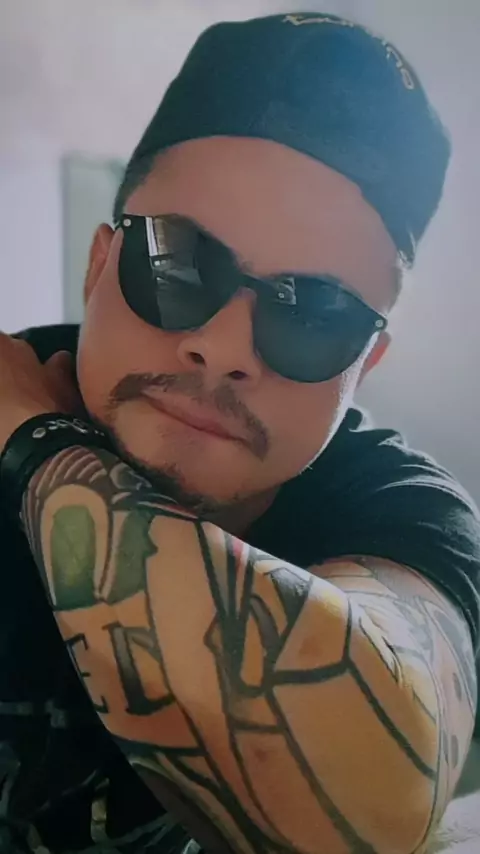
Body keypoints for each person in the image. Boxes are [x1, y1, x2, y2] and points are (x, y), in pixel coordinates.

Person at [0, 10, 478, 854]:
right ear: (100, 265)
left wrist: (34, 443)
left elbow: (376, 799)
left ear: (364, 365)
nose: (223, 349)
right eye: (177, 263)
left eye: (317, 314)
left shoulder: (399, 511)